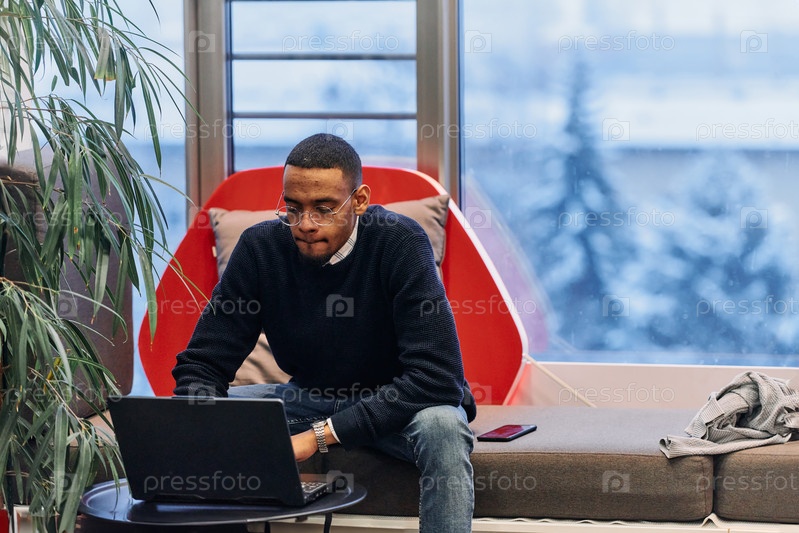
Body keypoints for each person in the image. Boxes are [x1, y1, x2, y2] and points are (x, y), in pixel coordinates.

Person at [172, 133, 476, 532]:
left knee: (444, 427)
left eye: (324, 209)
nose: (305, 225)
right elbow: (202, 363)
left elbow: (438, 378)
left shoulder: (399, 242)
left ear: (360, 201)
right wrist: (199, 418)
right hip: (309, 398)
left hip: (400, 405)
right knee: (196, 410)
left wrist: (318, 437)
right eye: (293, 208)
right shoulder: (261, 248)